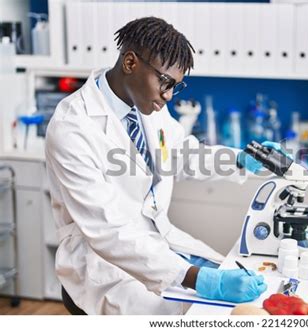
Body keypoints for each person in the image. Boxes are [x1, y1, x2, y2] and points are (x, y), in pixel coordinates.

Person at [45, 17, 269, 315]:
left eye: (176, 86)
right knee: (193, 313)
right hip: (103, 263)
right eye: (165, 82)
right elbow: (108, 230)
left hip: (158, 240)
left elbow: (181, 153)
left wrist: (239, 159)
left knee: (233, 294)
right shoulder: (72, 127)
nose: (168, 95)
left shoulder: (146, 107)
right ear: (129, 62)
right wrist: (200, 279)